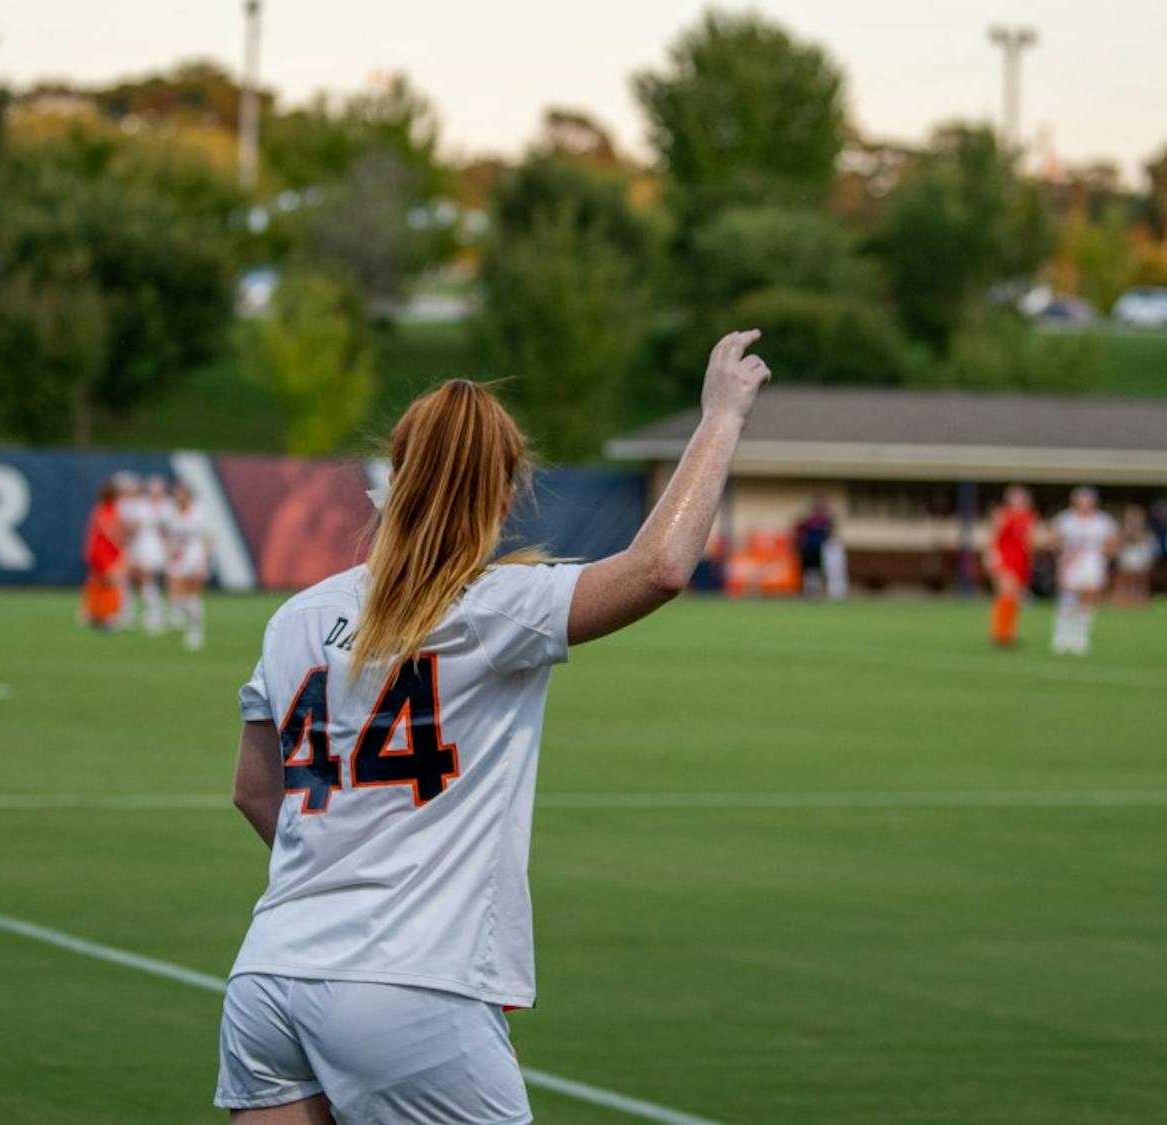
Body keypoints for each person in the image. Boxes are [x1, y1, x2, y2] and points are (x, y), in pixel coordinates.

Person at [216, 330, 771, 1123]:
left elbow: (251, 789)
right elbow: (659, 568)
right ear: (505, 491)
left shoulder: (295, 617)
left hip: (269, 977)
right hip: (411, 983)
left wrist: (343, 867)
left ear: (394, 477)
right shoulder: (494, 607)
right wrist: (720, 416)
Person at [1050, 486, 1118, 656]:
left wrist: (1100, 555)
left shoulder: (1103, 520)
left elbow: (1112, 542)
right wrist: (1065, 554)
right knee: (1068, 598)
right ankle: (1062, 636)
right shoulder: (1066, 519)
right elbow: (1055, 540)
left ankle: (1080, 636)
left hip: (1092, 562)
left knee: (1088, 599)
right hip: (1071, 561)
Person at [985, 484, 1037, 647]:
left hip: (1021, 560)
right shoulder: (1003, 515)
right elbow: (993, 536)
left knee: (1014, 596)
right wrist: (991, 555)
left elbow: (1030, 540)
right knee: (1006, 592)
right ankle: (998, 632)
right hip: (1005, 559)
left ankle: (1008, 632)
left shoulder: (1030, 516)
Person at [164, 482, 210, 651]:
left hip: (195, 554)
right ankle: (178, 618)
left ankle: (195, 630)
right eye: (176, 493)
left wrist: (204, 561)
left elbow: (207, 537)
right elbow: (167, 534)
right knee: (177, 591)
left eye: (181, 493)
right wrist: (169, 550)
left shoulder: (199, 511)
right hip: (179, 556)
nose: (178, 497)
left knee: (192, 594)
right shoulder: (170, 512)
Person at [123, 474, 169, 634]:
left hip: (151, 548)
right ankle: (133, 614)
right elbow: (132, 527)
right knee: (134, 580)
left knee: (147, 580)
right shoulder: (141, 505)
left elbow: (165, 530)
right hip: (139, 547)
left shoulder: (164, 506)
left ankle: (155, 615)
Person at [82, 478, 127, 632]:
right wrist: (122, 547)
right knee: (113, 582)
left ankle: (94, 612)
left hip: (98, 552)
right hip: (104, 553)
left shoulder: (100, 509)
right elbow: (111, 532)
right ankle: (108, 615)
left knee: (98, 583)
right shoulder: (106, 510)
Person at [1112, 503, 1157, 606]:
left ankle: (1141, 599)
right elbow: (1119, 542)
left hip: (1140, 557)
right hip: (1127, 557)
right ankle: (1122, 599)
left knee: (1140, 580)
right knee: (1124, 579)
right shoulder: (1124, 529)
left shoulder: (1146, 531)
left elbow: (1147, 544)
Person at [794, 497, 834, 599]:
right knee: (807, 573)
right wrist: (800, 545)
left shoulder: (826, 521)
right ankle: (806, 593)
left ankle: (819, 594)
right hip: (808, 551)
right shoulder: (807, 521)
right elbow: (799, 533)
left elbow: (830, 535)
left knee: (820, 572)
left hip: (821, 552)